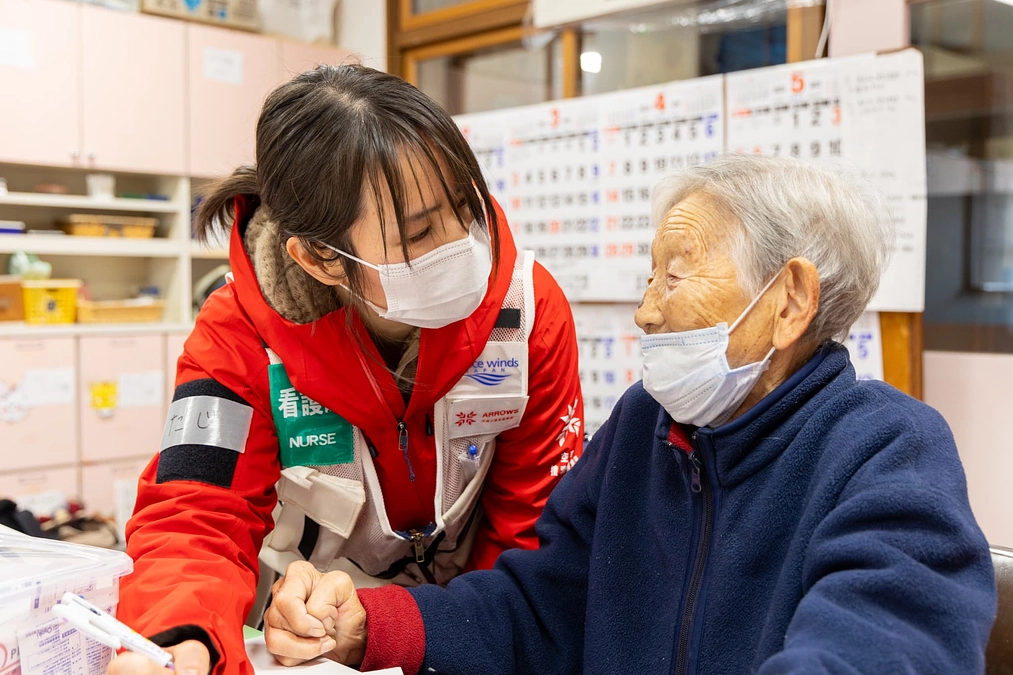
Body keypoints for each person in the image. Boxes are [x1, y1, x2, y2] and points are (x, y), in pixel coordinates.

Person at [271, 155, 998, 674]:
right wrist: (376, 622)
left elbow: (883, 643)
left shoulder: (885, 447)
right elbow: (544, 607)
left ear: (789, 301)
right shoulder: (643, 428)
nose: (647, 312)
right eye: (648, 278)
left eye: (673, 277)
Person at [107, 65, 585, 675]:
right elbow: (197, 514)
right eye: (419, 233)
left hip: (472, 628)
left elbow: (537, 533)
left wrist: (458, 635)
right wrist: (181, 639)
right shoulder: (237, 334)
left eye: (464, 208)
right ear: (319, 259)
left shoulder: (528, 314)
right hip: (302, 643)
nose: (462, 245)